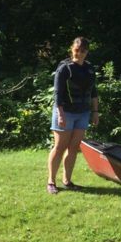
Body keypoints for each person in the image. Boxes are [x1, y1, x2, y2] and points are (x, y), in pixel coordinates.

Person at [46, 37, 99, 194]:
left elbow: (94, 92)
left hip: (83, 113)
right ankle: (51, 182)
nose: (79, 54)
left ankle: (67, 181)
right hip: (65, 112)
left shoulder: (89, 68)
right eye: (77, 50)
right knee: (60, 146)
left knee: (74, 147)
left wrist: (95, 112)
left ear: (87, 52)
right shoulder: (65, 68)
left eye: (83, 51)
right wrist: (60, 115)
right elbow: (58, 94)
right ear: (72, 49)